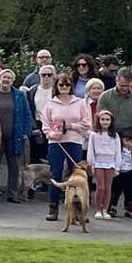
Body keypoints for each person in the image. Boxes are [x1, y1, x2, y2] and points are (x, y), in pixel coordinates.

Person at [41, 69, 92, 222]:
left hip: (74, 141)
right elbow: (45, 125)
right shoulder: (50, 104)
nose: (64, 87)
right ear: (57, 86)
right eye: (61, 85)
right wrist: (51, 134)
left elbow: (87, 123)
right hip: (56, 143)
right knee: (55, 174)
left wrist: (70, 126)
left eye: (67, 85)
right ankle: (53, 207)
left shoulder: (80, 102)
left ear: (71, 86)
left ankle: (78, 211)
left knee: (76, 175)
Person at [99, 68, 132, 216]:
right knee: (113, 172)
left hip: (128, 137)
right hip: (110, 135)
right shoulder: (105, 97)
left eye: (127, 86)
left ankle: (131, 203)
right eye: (122, 85)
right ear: (116, 81)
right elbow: (100, 119)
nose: (125, 88)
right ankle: (110, 203)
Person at [0, 68, 33, 203]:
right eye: (4, 77)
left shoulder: (20, 95)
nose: (6, 80)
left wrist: (26, 132)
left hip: (15, 136)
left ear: (13, 80)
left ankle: (12, 194)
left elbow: (27, 114)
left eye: (9, 78)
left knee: (14, 166)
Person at [87, 108, 120, 220]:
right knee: (100, 187)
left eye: (107, 119)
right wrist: (91, 163)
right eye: (103, 119)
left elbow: (118, 151)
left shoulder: (115, 135)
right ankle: (98, 210)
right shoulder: (94, 134)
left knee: (108, 187)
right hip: (98, 163)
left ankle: (105, 209)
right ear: (98, 120)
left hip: (110, 163)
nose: (105, 122)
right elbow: (91, 150)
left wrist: (117, 166)